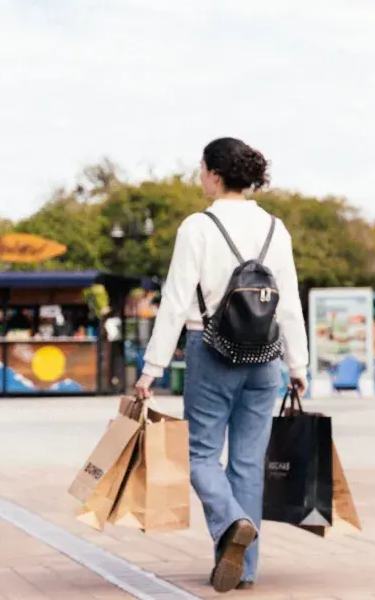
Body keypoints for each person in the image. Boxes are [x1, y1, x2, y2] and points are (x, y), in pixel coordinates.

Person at [134, 138, 308, 592]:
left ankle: (231, 522)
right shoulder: (275, 227)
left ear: (213, 173)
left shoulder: (198, 226)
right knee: (247, 464)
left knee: (199, 456)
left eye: (201, 170)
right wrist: (299, 364)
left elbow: (174, 302)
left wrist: (151, 370)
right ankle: (244, 570)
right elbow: (287, 303)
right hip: (267, 356)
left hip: (209, 348)